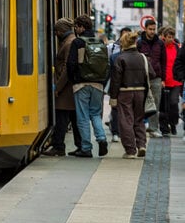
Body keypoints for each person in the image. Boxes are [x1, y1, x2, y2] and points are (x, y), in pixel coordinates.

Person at [66, 14, 109, 157]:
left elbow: (71, 64)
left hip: (81, 84)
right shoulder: (100, 42)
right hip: (98, 84)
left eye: (76, 27)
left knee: (83, 117)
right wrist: (102, 81)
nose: (75, 30)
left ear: (81, 27)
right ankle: (102, 139)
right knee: (95, 113)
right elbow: (106, 64)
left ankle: (86, 148)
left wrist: (74, 80)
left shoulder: (77, 42)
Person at [44, 18, 82, 156]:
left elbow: (67, 68)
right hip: (69, 88)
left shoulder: (69, 43)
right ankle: (81, 146)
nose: (55, 33)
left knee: (61, 118)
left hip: (66, 89)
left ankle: (58, 146)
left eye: (56, 30)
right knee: (74, 118)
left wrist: (57, 87)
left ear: (61, 30)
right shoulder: (70, 40)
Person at [110, 30, 150, 158]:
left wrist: (113, 97)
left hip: (125, 93)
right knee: (139, 119)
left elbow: (116, 80)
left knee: (126, 120)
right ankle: (142, 145)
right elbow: (152, 74)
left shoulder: (120, 58)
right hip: (141, 92)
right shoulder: (142, 57)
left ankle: (130, 150)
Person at [137, 19, 165, 136]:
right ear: (145, 28)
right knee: (139, 103)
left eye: (154, 29)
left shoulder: (160, 43)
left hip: (156, 77)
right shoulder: (139, 42)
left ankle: (153, 128)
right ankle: (139, 128)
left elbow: (164, 61)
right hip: (142, 77)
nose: (152, 31)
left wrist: (163, 79)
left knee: (155, 103)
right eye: (150, 29)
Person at [106, 27, 133, 143]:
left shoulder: (116, 56)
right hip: (122, 86)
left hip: (124, 86)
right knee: (118, 110)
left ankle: (120, 132)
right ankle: (117, 132)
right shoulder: (113, 52)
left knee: (121, 110)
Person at [160, 26, 182, 137]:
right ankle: (164, 127)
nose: (171, 39)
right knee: (164, 105)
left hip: (175, 81)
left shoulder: (177, 48)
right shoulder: (161, 47)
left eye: (172, 37)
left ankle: (173, 124)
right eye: (169, 37)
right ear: (164, 37)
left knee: (174, 103)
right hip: (164, 81)